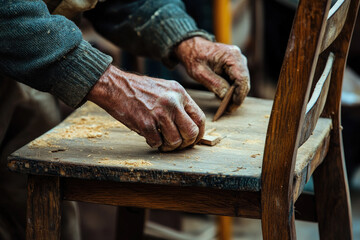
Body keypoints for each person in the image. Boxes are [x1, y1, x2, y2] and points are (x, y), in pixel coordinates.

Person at [0, 0, 250, 239]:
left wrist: (188, 41)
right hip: (16, 45)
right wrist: (111, 84)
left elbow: (123, 3)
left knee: (42, 215)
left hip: (23, 68)